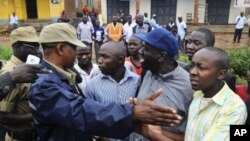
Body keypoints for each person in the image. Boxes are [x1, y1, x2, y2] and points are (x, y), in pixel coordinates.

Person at [29, 23, 183, 141]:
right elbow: (81, 111)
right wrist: (132, 112)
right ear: (61, 49)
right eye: (74, 48)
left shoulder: (60, 76)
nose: (77, 53)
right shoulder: (44, 84)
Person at [132, 28, 194, 141]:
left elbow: (193, 136)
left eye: (146, 49)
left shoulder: (189, 86)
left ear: (161, 56)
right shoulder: (148, 71)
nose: (140, 51)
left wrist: (153, 132)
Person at [185, 47, 247, 141]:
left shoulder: (234, 109)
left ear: (221, 74)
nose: (192, 72)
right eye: (192, 65)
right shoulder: (198, 95)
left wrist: (156, 133)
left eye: (201, 67)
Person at [85, 41, 139, 140]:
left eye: (105, 57)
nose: (99, 61)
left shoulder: (137, 82)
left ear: (120, 59)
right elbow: (89, 117)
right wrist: (100, 136)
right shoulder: (92, 85)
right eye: (99, 56)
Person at [0, 26, 42, 141]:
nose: (37, 50)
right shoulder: (11, 73)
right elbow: (3, 117)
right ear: (18, 47)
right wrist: (39, 116)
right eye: (32, 46)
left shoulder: (30, 67)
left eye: (38, 46)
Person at [185, 28, 236, 92]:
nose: (190, 46)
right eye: (189, 42)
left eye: (197, 43)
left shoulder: (227, 78)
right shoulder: (184, 70)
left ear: (210, 46)